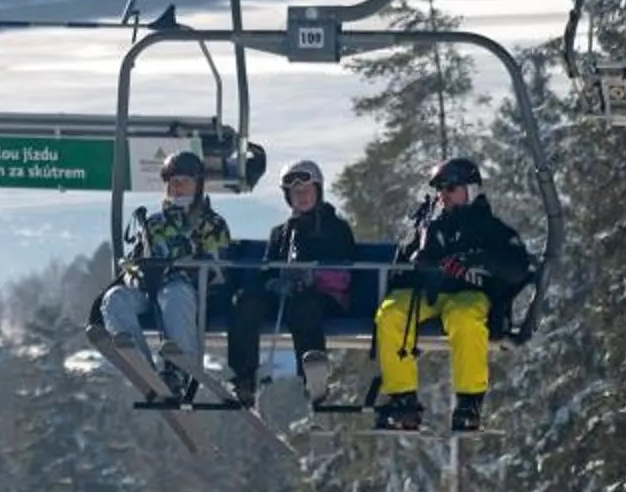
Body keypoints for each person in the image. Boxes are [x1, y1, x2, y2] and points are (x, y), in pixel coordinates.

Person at [372, 154, 533, 432]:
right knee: (391, 313)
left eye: (450, 189)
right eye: (440, 190)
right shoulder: (431, 228)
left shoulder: (492, 229)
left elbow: (517, 268)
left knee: (465, 319)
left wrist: (481, 260)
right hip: (430, 293)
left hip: (469, 293)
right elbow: (403, 262)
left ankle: (469, 402)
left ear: (470, 190)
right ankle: (403, 400)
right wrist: (416, 256)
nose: (443, 196)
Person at [98, 150, 234, 397]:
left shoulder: (211, 224)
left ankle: (179, 369)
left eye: (184, 182)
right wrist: (137, 274)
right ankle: (142, 366)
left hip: (190, 293)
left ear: (198, 185)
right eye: (173, 183)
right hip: (150, 290)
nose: (178, 188)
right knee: (115, 298)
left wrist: (180, 269)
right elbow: (134, 261)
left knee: (174, 293)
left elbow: (217, 268)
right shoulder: (153, 224)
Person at [227, 158, 360, 405]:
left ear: (317, 191)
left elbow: (345, 269)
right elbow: (267, 268)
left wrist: (312, 278)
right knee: (247, 302)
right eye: (295, 193)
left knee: (303, 306)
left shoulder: (335, 227)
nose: (301, 197)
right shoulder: (282, 232)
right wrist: (273, 283)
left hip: (323, 297)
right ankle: (244, 376)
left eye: (306, 191)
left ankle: (312, 375)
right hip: (285, 294)